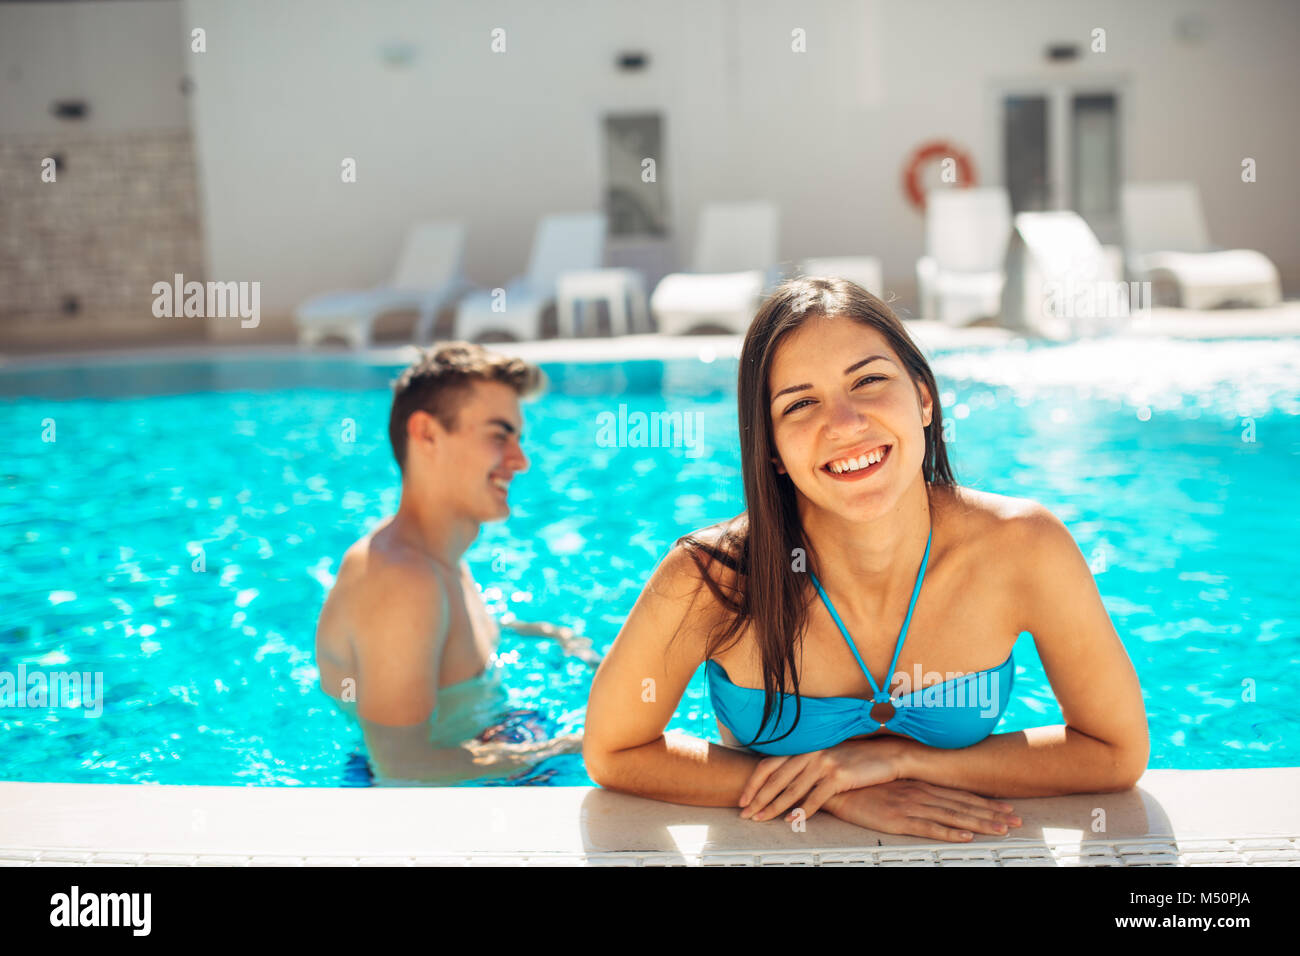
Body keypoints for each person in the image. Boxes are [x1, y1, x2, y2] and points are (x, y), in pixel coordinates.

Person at [583, 277, 1149, 842]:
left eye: (869, 381)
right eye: (801, 403)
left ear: (923, 398)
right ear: (773, 451)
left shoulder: (1022, 547)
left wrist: (905, 763)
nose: (846, 424)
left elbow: (1115, 752)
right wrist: (830, 792)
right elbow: (614, 752)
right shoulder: (713, 577)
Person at [315, 342, 590, 786]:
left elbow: (443, 645)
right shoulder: (402, 580)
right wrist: (574, 746)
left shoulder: (436, 557)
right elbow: (402, 768)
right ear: (426, 434)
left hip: (485, 745)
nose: (521, 461)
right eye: (499, 435)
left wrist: (549, 635)